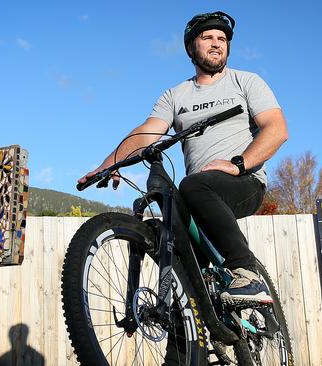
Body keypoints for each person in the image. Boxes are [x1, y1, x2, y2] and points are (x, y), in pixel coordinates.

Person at [78, 11, 288, 304]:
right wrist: (109, 163)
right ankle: (187, 338)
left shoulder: (246, 82)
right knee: (178, 253)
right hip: (199, 193)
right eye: (208, 38)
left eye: (222, 39)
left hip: (244, 181)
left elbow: (276, 130)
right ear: (191, 48)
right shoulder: (176, 95)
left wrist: (237, 164)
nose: (217, 44)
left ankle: (246, 271)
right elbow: (148, 132)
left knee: (192, 184)